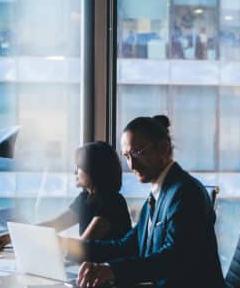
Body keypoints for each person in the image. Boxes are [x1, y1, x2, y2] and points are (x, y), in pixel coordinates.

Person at [72, 115, 225, 288]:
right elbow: (126, 246)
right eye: (127, 156)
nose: (132, 165)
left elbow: (172, 259)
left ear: (163, 149)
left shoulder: (186, 194)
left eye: (137, 153)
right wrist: (71, 248)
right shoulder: (158, 196)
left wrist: (111, 270)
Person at [0, 141, 132, 250]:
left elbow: (83, 247)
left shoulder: (112, 202)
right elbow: (55, 224)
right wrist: (11, 236)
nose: (75, 172)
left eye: (79, 167)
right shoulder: (86, 197)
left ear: (94, 171)